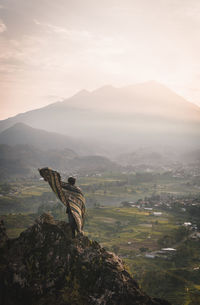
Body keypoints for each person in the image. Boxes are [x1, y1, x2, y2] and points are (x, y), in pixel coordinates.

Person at [38, 168, 86, 238]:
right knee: (77, 221)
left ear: (69, 182)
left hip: (70, 209)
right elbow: (81, 200)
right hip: (77, 209)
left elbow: (57, 184)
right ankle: (77, 234)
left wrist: (50, 177)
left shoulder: (67, 187)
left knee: (72, 223)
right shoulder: (78, 190)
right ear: (74, 182)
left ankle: (74, 236)